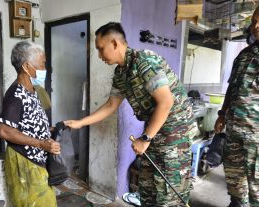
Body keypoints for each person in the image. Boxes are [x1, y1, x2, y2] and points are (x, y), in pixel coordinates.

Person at [64, 22, 197, 206]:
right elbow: (111, 105)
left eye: (101, 49)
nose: (99, 55)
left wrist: (146, 138)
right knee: (148, 188)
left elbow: (166, 102)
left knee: (169, 194)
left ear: (115, 43)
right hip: (154, 133)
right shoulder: (121, 72)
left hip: (175, 135)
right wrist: (81, 122)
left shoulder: (144, 61)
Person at [0, 41, 60, 207]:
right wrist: (41, 143)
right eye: (42, 64)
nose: (45, 69)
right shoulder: (16, 94)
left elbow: (28, 122)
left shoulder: (33, 89)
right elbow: (4, 131)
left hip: (37, 159)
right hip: (25, 161)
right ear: (26, 66)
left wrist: (52, 129)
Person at [214, 6, 259, 207]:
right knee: (234, 181)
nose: (255, 26)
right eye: (254, 21)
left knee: (256, 188)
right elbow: (232, 89)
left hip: (256, 138)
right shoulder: (243, 56)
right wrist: (222, 115)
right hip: (234, 133)